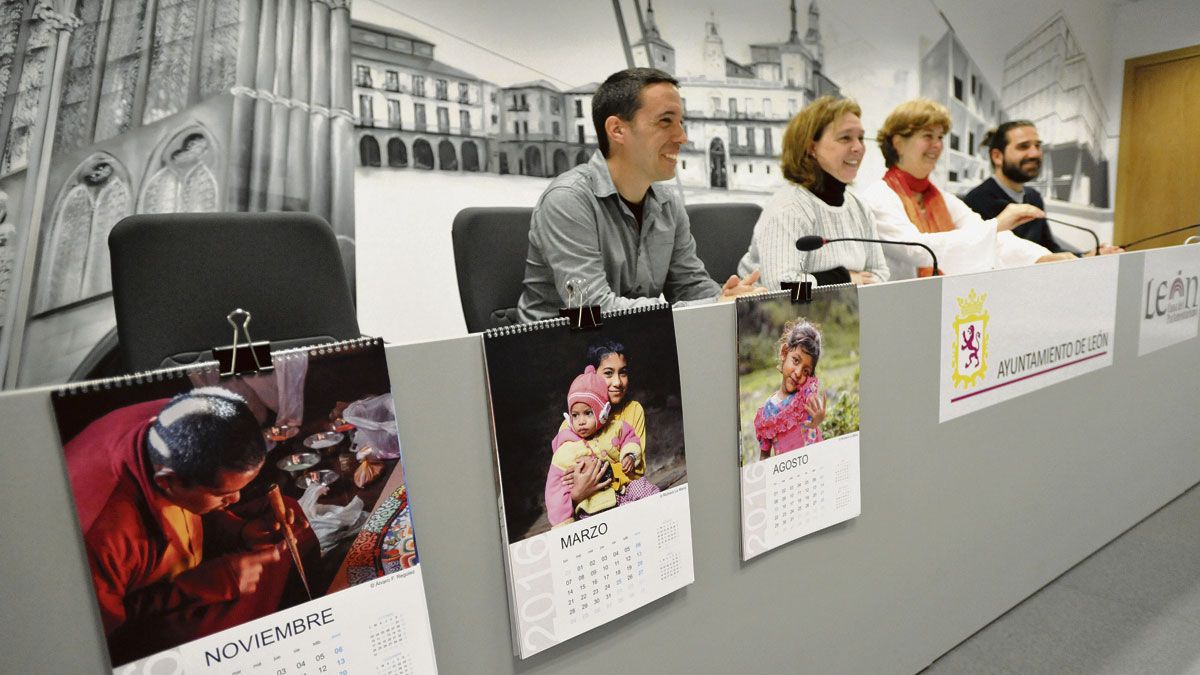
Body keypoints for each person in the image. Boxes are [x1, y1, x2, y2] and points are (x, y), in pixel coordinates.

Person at [63, 387, 314, 665]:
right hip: (137, 618)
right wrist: (200, 585)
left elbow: (196, 508)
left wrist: (238, 532)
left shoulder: (182, 420)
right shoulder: (101, 535)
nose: (235, 499)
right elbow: (107, 639)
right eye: (222, 495)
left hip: (184, 556)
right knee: (211, 633)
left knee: (287, 517)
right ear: (167, 481)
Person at [517, 67, 763, 322]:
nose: (682, 137)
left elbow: (690, 287)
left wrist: (732, 300)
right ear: (617, 130)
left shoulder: (668, 204)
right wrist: (713, 303)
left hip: (628, 349)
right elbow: (592, 310)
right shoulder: (567, 199)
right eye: (666, 121)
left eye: (681, 123)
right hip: (557, 351)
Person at [860, 99, 1073, 280]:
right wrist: (996, 225)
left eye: (940, 137)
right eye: (927, 136)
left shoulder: (941, 197)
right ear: (898, 143)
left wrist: (1041, 258)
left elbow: (991, 238)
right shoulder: (878, 196)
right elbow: (916, 249)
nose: (937, 145)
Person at [738, 96, 889, 288]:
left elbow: (880, 274)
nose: (858, 147)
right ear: (811, 148)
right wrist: (845, 279)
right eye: (845, 138)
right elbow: (782, 288)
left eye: (860, 138)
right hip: (781, 317)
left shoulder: (859, 207)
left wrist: (839, 284)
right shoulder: (788, 209)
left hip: (845, 314)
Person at [963, 121, 1121, 256]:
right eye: (1023, 146)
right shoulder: (976, 201)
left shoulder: (1034, 197)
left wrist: (1086, 256)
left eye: (1037, 146)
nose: (1035, 153)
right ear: (997, 156)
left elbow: (1049, 249)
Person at [545, 366, 658, 526]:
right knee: (596, 522)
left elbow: (630, 439)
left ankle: (661, 514)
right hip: (593, 503)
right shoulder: (567, 448)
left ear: (602, 412)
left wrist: (630, 455)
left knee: (645, 489)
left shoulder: (616, 427)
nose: (581, 421)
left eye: (588, 413)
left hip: (624, 488)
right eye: (575, 415)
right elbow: (554, 487)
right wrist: (563, 524)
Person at [560, 340, 648, 511]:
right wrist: (578, 491)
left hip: (628, 494)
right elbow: (567, 480)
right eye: (608, 373)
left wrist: (593, 474)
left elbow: (637, 470)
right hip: (589, 505)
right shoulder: (571, 425)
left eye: (623, 373)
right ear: (592, 376)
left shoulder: (633, 410)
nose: (618, 382)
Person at [754, 320, 826, 459]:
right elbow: (764, 456)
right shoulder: (767, 412)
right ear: (784, 352)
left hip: (814, 468)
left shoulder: (806, 397)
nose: (798, 373)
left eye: (806, 371)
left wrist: (818, 420)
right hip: (789, 477)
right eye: (796, 360)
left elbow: (816, 410)